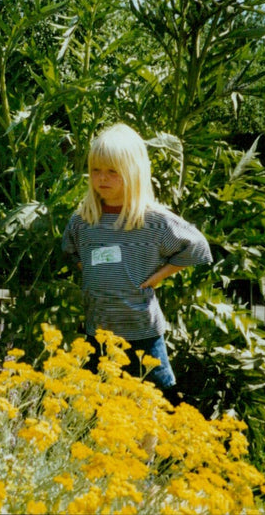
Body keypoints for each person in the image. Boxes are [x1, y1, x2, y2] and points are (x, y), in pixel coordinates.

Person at [62, 123, 212, 402]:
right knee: (101, 401)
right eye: (96, 170)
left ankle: (149, 447)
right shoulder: (84, 220)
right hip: (99, 330)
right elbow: (70, 250)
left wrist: (159, 276)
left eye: (112, 171)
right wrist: (92, 272)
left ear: (133, 172)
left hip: (141, 331)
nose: (102, 178)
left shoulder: (151, 221)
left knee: (151, 400)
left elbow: (197, 246)